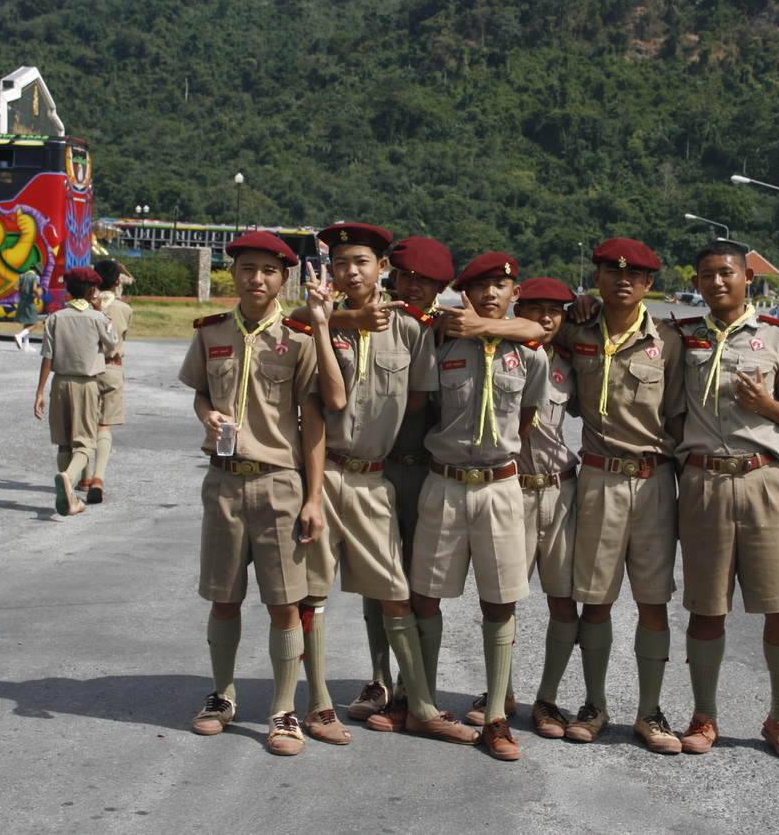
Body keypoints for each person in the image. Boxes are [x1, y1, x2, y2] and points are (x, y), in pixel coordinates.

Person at [299, 222, 487, 751]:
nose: (350, 272)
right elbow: (312, 397)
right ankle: (322, 703)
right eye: (340, 263)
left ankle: (419, 703)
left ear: (379, 268)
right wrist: (335, 319)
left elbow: (421, 400)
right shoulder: (316, 322)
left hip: (379, 475)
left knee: (396, 591)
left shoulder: (411, 330)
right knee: (312, 593)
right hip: (325, 471)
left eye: (361, 262)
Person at [176, 231, 338, 757]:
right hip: (223, 482)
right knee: (224, 598)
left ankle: (283, 710)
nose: (257, 278)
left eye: (268, 270)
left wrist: (313, 498)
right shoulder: (211, 332)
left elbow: (314, 421)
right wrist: (207, 415)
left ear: (284, 279)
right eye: (247, 268)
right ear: (233, 274)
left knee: (284, 603)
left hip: (279, 484)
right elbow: (202, 393)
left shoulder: (300, 338)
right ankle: (222, 695)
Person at [671, 239, 779, 762]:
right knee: (707, 606)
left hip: (762, 481)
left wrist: (767, 404)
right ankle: (704, 715)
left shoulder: (776, 335)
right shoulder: (682, 336)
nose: (716, 282)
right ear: (697, 281)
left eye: (726, 273)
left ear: (747, 277)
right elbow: (671, 413)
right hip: (704, 484)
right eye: (706, 274)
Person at [409, 251, 548, 761]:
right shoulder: (440, 340)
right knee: (426, 595)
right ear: (464, 293)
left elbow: (526, 417)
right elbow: (426, 407)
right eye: (481, 286)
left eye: (501, 286)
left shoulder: (530, 354)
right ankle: (422, 702)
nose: (491, 294)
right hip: (444, 483)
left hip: (499, 487)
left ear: (515, 293)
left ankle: (495, 714)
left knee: (500, 600)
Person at [555, 238, 686, 754]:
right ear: (597, 277)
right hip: (599, 478)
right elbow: (532, 325)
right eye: (611, 271)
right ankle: (594, 704)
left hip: (654, 482)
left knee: (653, 601)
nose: (622, 280)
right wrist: (571, 304)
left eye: (634, 274)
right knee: (596, 599)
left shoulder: (670, 341)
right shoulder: (577, 329)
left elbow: (679, 418)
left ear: (649, 283)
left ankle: (649, 711)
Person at [510, 277, 581, 739]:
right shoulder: (500, 354)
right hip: (511, 489)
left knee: (562, 598)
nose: (546, 317)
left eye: (556, 310)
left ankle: (548, 697)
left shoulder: (571, 363)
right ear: (518, 310)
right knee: (502, 598)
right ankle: (499, 691)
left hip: (560, 491)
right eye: (536, 308)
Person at [31, 267, 120, 517]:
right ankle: (68, 477)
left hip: (59, 383)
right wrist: (102, 314)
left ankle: (70, 496)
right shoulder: (97, 318)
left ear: (68, 290)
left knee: (63, 442)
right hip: (86, 384)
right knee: (86, 442)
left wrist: (39, 392)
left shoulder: (55, 318)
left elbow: (47, 356)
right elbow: (113, 343)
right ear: (92, 291)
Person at [76, 258, 134, 503]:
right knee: (104, 424)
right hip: (111, 366)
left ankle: (85, 476)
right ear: (118, 281)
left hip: (86, 367)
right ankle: (99, 478)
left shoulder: (84, 306)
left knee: (84, 424)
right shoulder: (124, 309)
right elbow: (121, 336)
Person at [13, 263, 42, 351]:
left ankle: (26, 345)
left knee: (27, 323)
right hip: (30, 302)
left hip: (22, 301)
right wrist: (38, 296)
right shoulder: (35, 277)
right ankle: (19, 336)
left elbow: (15, 287)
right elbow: (34, 289)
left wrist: (22, 291)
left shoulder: (22, 276)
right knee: (33, 324)